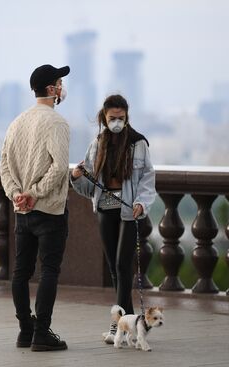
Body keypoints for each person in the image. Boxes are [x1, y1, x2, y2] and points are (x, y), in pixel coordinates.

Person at [70, 94, 156, 344]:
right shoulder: (97, 143)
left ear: (127, 117)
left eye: (121, 118)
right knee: (115, 269)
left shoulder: (138, 144)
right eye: (112, 118)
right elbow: (89, 185)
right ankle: (129, 326)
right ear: (104, 118)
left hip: (129, 211)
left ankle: (115, 325)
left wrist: (141, 203)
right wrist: (76, 176)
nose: (116, 122)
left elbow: (148, 178)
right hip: (105, 209)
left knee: (121, 265)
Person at [0, 64, 71, 352]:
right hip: (49, 210)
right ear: (52, 90)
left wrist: (18, 194)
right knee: (49, 270)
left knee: (21, 273)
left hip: (23, 213)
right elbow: (60, 167)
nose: (62, 88)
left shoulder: (16, 122)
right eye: (59, 83)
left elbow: (4, 166)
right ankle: (42, 332)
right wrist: (36, 193)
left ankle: (24, 330)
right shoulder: (57, 123)